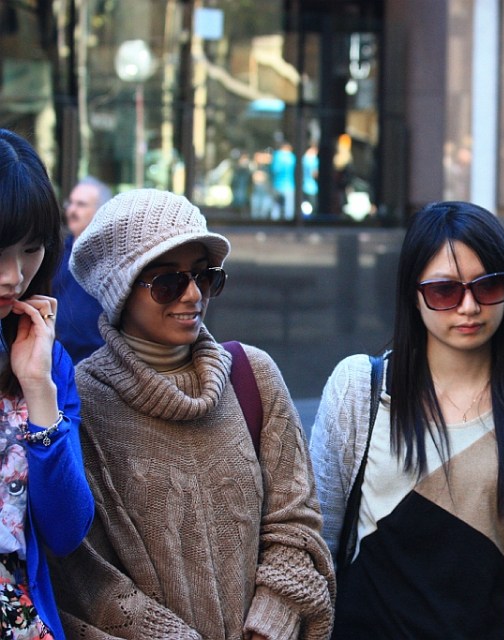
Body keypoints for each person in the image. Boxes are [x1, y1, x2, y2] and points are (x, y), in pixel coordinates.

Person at [49, 189, 336, 639]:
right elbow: (83, 575)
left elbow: (296, 521)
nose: (192, 295)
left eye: (205, 276)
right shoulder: (79, 401)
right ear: (120, 289)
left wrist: (270, 624)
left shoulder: (252, 375)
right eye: (168, 282)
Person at [310, 201, 504, 639]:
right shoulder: (359, 387)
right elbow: (317, 543)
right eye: (445, 290)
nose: (469, 306)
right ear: (412, 294)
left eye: (488, 286)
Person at [0, 128, 94, 639]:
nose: (14, 276)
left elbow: (65, 531)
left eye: (31, 249)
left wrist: (38, 388)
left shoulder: (46, 359)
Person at [51, 176, 111, 362]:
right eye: (71, 203)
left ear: (101, 210)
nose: (72, 210)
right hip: (55, 360)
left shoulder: (111, 259)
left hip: (95, 365)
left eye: (81, 205)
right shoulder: (55, 254)